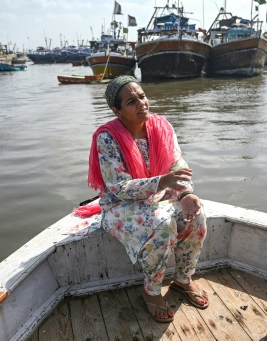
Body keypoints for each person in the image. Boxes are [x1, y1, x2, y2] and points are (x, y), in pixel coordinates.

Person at [80, 75, 208, 323]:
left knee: (197, 214)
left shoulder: (162, 127)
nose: (141, 103)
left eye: (142, 96)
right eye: (131, 101)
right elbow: (117, 187)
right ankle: (151, 290)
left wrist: (186, 194)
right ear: (116, 110)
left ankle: (183, 279)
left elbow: (178, 166)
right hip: (121, 206)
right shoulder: (107, 138)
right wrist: (161, 181)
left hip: (160, 195)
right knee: (162, 224)